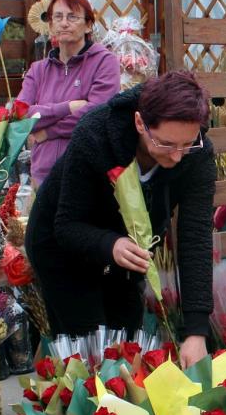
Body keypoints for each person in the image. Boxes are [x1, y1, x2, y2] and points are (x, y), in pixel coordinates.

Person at [25, 71, 216, 369]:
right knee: (92, 359)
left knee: (128, 352)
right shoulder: (96, 133)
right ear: (140, 123)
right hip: (63, 248)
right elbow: (67, 224)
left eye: (187, 144)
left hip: (128, 255)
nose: (179, 156)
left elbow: (195, 236)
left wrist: (196, 330)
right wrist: (110, 244)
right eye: (167, 144)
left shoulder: (199, 154)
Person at [19, 0, 121, 185]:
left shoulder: (104, 62)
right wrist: (68, 107)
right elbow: (22, 114)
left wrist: (48, 132)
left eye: (72, 17)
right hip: (42, 174)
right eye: (58, 17)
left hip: (85, 174)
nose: (64, 23)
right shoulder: (38, 70)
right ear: (50, 25)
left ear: (88, 25)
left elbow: (97, 115)